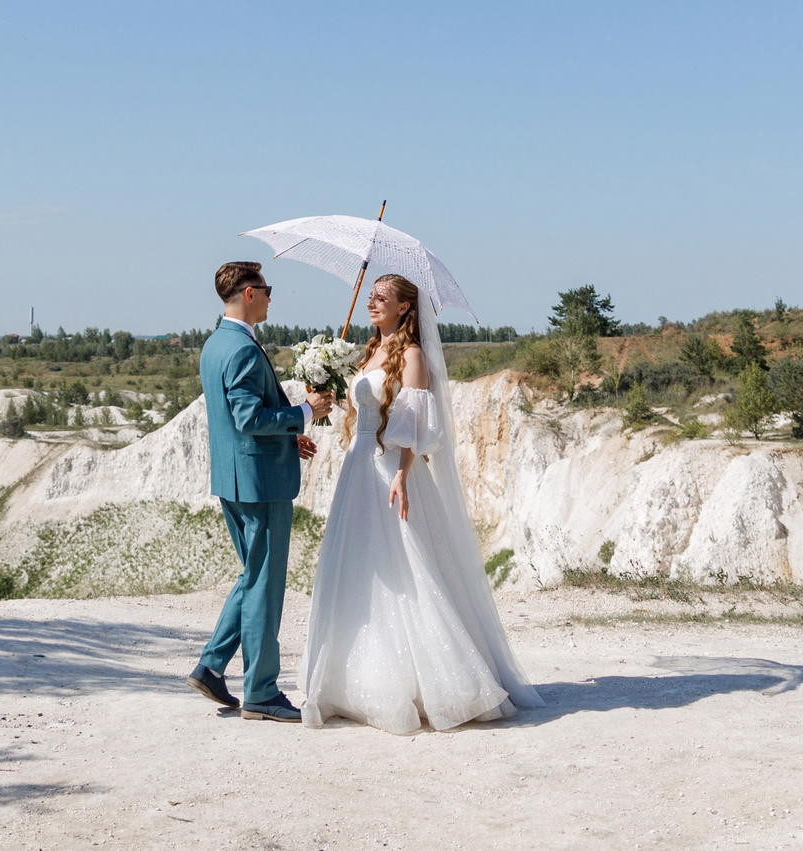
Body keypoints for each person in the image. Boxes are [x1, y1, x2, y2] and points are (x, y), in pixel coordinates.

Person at [298, 272, 542, 733]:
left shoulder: (412, 357)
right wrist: (323, 373)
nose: (372, 303)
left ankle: (436, 682)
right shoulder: (368, 350)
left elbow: (416, 426)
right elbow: (357, 406)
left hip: (390, 468)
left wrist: (404, 476)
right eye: (369, 296)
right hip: (357, 467)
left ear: (405, 308)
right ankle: (345, 680)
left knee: (409, 570)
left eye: (382, 298)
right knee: (357, 566)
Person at [187, 259, 329, 722]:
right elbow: (249, 418)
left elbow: (235, 418)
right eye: (267, 289)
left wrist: (288, 435)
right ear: (249, 293)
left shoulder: (215, 344)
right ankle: (262, 691)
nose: (271, 296)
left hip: (234, 478)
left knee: (252, 574)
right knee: (265, 585)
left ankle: (211, 666)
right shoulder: (244, 350)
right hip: (260, 484)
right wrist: (305, 412)